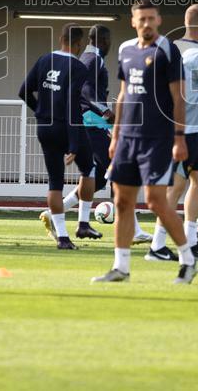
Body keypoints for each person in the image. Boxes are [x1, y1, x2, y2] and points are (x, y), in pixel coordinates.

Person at [91, 0, 196, 285]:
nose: (147, 23)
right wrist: (115, 134)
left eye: (151, 18)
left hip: (158, 139)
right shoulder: (125, 50)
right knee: (122, 201)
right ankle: (121, 268)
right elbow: (124, 95)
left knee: (156, 202)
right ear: (133, 22)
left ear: (158, 20)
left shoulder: (167, 49)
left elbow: (178, 97)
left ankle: (188, 260)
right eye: (142, 19)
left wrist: (179, 137)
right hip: (127, 139)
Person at [48, 25, 152, 244]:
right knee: (120, 169)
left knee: (98, 178)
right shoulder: (93, 59)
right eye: (109, 40)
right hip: (92, 123)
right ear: (103, 40)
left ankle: (55, 213)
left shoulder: (88, 58)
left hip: (90, 123)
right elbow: (85, 91)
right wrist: (105, 111)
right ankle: (130, 229)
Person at [19, 24, 95, 251]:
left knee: (55, 182)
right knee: (89, 168)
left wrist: (41, 111)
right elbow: (72, 103)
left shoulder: (44, 60)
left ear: (61, 38)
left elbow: (23, 91)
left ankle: (62, 237)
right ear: (79, 44)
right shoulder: (79, 67)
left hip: (45, 127)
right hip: (68, 126)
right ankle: (83, 223)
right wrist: (73, 142)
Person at [164, 4, 198, 262]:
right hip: (187, 130)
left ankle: (189, 240)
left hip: (168, 127)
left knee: (197, 180)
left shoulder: (170, 48)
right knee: (181, 185)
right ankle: (160, 243)